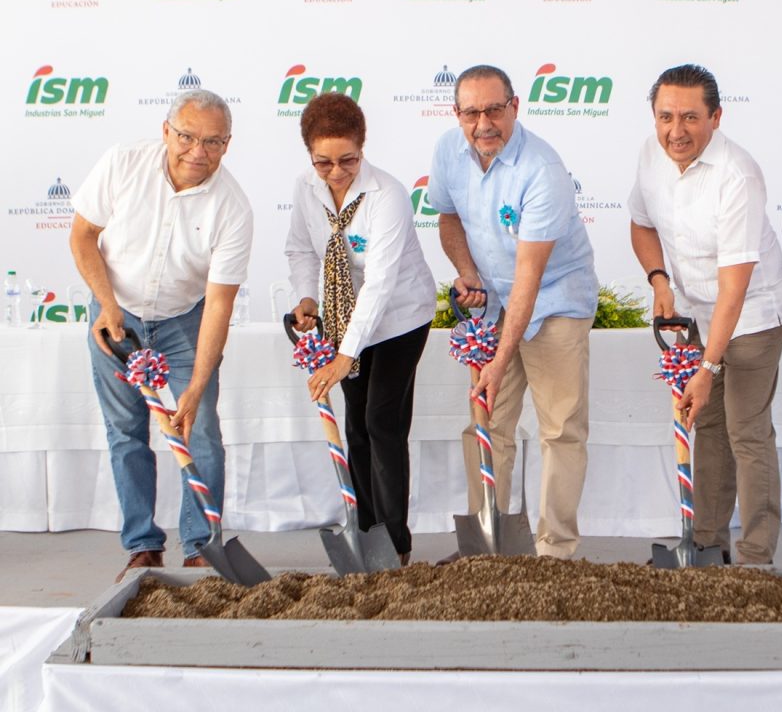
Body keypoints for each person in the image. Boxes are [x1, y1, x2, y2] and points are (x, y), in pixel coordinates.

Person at [69, 89, 253, 581]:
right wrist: (107, 304)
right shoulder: (122, 164)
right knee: (126, 431)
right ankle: (143, 546)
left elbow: (218, 303)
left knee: (203, 430)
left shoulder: (233, 208)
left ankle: (200, 546)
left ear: (228, 145)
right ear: (166, 131)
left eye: (213, 142)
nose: (198, 151)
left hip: (184, 318)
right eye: (188, 136)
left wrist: (194, 387)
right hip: (116, 312)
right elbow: (83, 235)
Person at [429, 64, 598, 558]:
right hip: (495, 301)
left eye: (495, 110)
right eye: (472, 112)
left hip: (555, 299)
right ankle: (486, 547)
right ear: (457, 113)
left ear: (515, 107)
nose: (485, 123)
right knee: (485, 423)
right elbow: (448, 217)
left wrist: (499, 361)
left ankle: (555, 552)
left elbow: (530, 277)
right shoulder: (447, 151)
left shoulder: (542, 170)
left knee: (560, 428)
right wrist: (467, 270)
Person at [628, 64, 782, 565]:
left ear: (716, 117)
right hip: (698, 314)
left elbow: (734, 290)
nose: (676, 131)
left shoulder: (737, 174)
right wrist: (659, 280)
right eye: (666, 117)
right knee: (710, 425)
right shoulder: (651, 156)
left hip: (753, 315)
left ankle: (756, 554)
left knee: (745, 428)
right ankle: (705, 544)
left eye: (691, 118)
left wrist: (707, 367)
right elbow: (640, 225)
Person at [285, 92, 435, 566]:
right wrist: (308, 299)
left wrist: (344, 356)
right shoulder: (305, 189)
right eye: (323, 161)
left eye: (347, 159)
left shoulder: (387, 195)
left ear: (363, 146)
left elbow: (381, 283)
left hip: (399, 318)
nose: (335, 172)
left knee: (381, 422)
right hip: (343, 316)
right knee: (356, 426)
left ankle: (397, 543)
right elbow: (301, 250)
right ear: (309, 152)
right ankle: (366, 530)